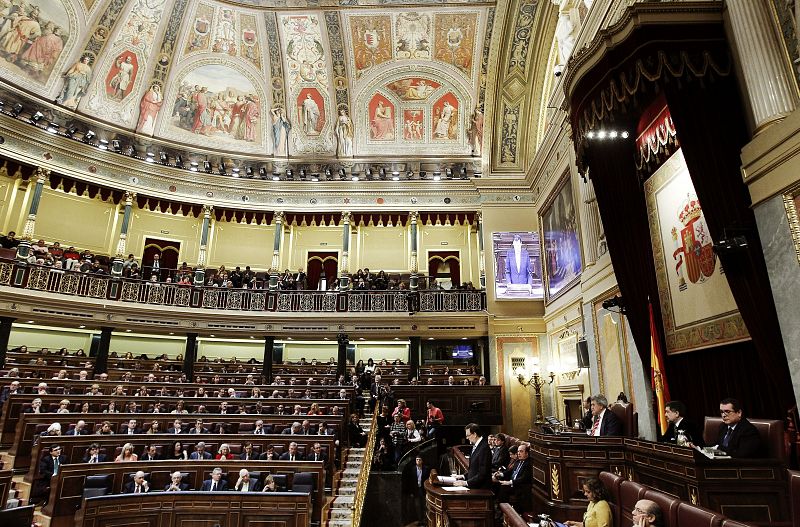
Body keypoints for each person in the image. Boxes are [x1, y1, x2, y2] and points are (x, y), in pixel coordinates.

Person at [493, 442, 533, 514]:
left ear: (527, 453)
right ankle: (498, 508)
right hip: (512, 483)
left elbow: (524, 478)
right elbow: (509, 471)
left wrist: (510, 482)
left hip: (520, 486)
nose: (518, 453)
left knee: (503, 488)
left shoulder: (528, 463)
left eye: (521, 451)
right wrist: (501, 474)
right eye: (518, 451)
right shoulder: (518, 461)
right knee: (496, 484)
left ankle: (503, 512)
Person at [453, 423, 492, 488]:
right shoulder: (476, 446)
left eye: (468, 435)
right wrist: (463, 476)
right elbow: (474, 469)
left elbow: (483, 473)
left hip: (481, 489)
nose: (467, 438)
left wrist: (465, 483)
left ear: (474, 434)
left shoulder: (484, 448)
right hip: (474, 486)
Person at [402, 455, 430, 526]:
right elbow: (410, 482)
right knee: (417, 506)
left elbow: (428, 480)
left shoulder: (426, 469)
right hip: (416, 490)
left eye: (419, 460)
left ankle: (425, 520)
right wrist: (411, 492)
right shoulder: (413, 469)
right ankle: (420, 520)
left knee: (424, 505)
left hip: (423, 489)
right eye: (417, 460)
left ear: (422, 461)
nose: (418, 461)